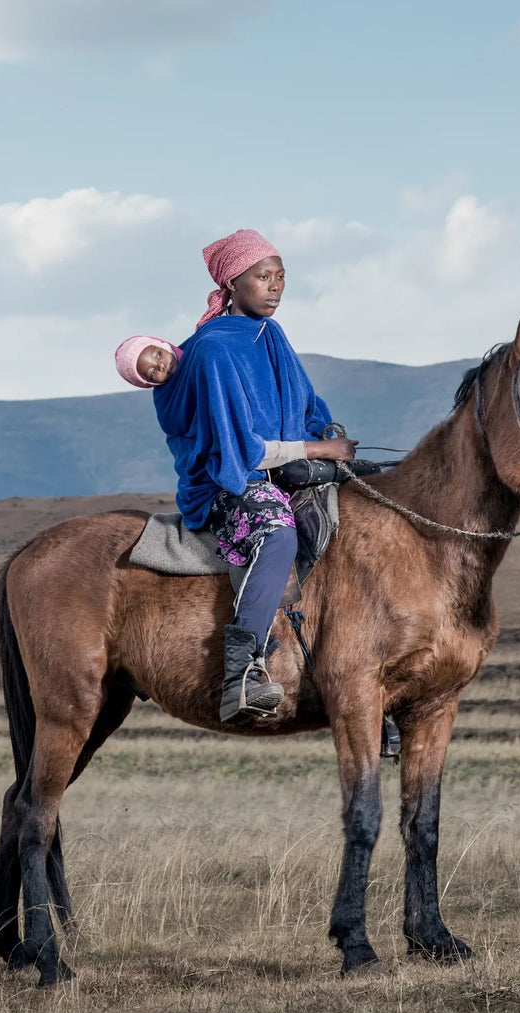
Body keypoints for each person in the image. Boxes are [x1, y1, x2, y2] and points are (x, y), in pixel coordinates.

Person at [147, 229, 357, 723]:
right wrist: (318, 448)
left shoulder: (272, 335)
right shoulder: (214, 350)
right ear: (233, 283)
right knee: (278, 535)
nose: (275, 287)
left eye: (280, 277)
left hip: (281, 470)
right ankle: (241, 675)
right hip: (231, 481)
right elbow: (240, 449)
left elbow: (307, 406)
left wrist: (330, 438)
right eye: (263, 277)